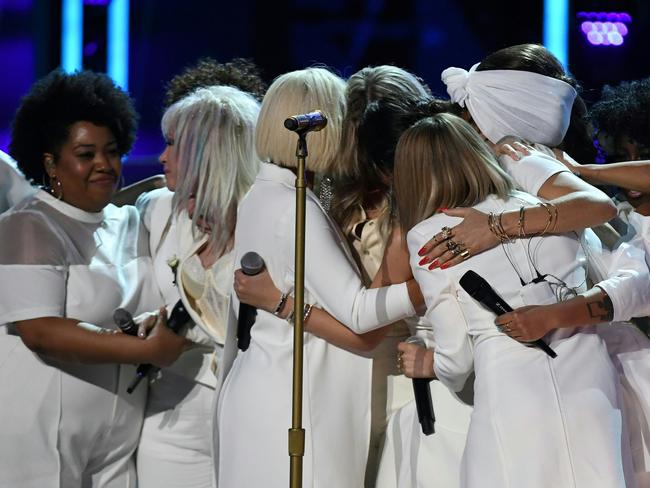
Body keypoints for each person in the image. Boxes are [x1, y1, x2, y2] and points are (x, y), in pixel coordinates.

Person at [395, 112, 633, 488]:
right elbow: (601, 212)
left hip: (512, 388)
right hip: (591, 374)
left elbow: (456, 357)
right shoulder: (543, 207)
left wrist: (431, 363)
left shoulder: (429, 235)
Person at [215, 66, 422, 488]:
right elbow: (361, 321)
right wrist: (433, 285)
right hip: (299, 397)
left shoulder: (270, 193)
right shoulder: (300, 205)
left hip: (294, 390)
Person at [0, 69, 186, 488]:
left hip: (119, 440)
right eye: (86, 154)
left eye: (113, 151)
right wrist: (148, 348)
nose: (104, 164)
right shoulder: (28, 226)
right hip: (39, 439)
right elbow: (40, 331)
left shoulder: (130, 221)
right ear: (50, 162)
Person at [134, 85, 261, 488]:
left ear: (209, 153)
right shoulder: (157, 210)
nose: (162, 156)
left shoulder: (272, 224)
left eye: (173, 144)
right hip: (169, 419)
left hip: (251, 417)